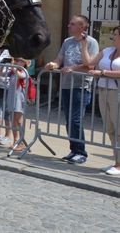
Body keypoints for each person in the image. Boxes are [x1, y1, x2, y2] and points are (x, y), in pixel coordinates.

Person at [44, 14, 98, 164]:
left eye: (72, 24)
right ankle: (74, 150)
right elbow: (59, 59)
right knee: (69, 120)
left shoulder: (91, 42)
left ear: (82, 27)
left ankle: (81, 152)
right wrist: (53, 64)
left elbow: (91, 65)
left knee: (75, 120)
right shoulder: (67, 41)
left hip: (81, 86)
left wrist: (73, 68)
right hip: (67, 85)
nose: (69, 26)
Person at [81, 25, 120, 175]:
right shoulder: (107, 51)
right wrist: (84, 45)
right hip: (103, 91)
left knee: (119, 129)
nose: (113, 37)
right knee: (110, 128)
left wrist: (103, 72)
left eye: (116, 34)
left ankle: (119, 165)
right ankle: (116, 162)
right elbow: (89, 63)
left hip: (117, 92)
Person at [4, 57, 30, 152]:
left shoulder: (24, 72)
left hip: (19, 98)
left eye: (20, 61)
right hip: (11, 97)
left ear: (24, 63)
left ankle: (21, 142)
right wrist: (4, 65)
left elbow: (20, 75)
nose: (17, 62)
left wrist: (12, 66)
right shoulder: (12, 71)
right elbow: (0, 74)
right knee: (13, 120)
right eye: (16, 60)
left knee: (19, 121)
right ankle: (16, 140)